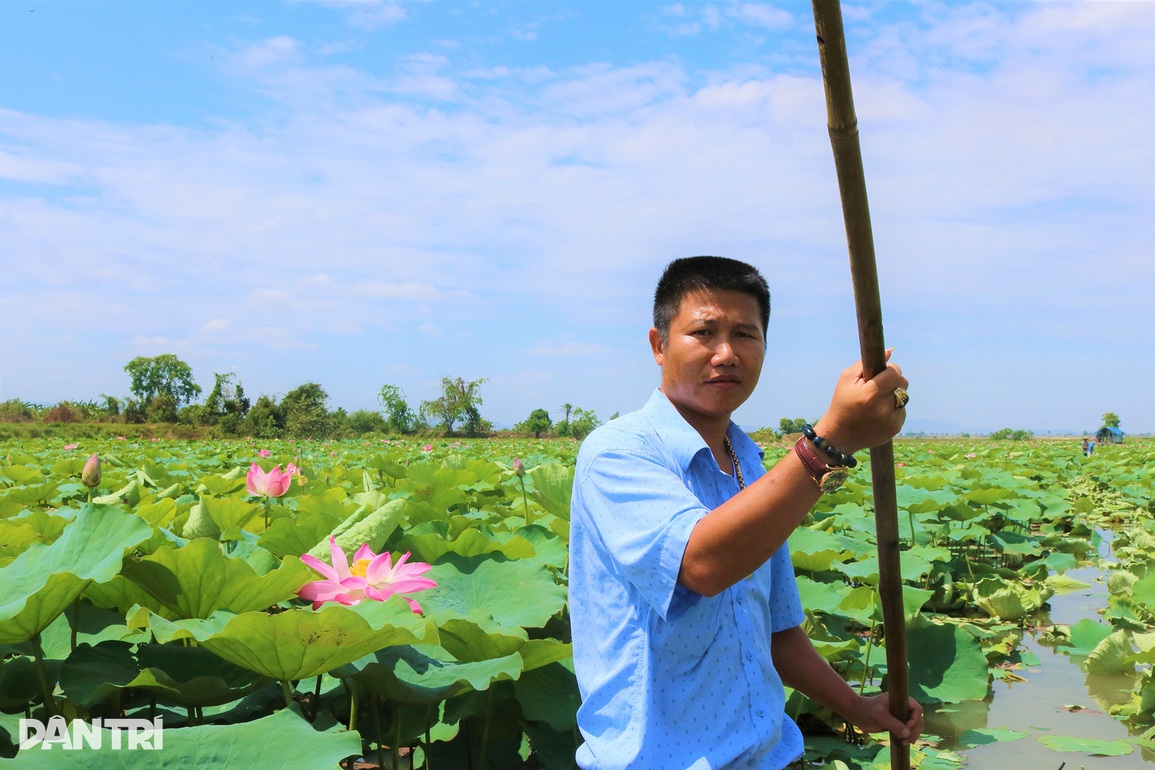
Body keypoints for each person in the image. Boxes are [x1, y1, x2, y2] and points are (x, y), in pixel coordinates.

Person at [568, 256, 923, 769]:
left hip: (772, 757)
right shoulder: (618, 453)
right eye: (703, 332)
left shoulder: (750, 463)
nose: (726, 354)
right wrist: (831, 441)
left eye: (745, 335)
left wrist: (856, 706)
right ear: (659, 344)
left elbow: (775, 629)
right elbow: (702, 565)